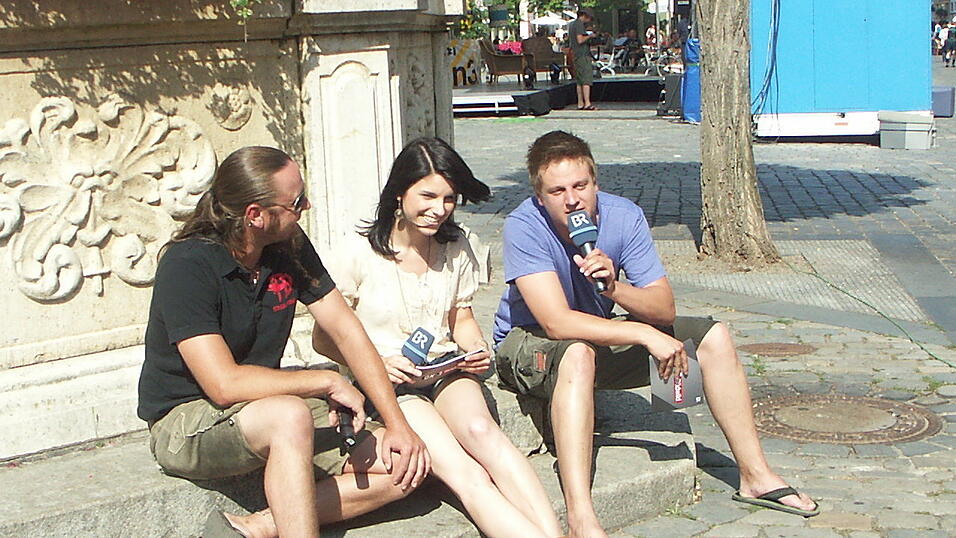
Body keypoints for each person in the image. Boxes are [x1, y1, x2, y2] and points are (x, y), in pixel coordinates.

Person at [492, 131, 819, 538]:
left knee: (712, 336)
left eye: (580, 185)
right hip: (528, 345)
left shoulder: (623, 216)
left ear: (596, 184)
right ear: (541, 197)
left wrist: (613, 287)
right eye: (557, 191)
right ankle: (581, 517)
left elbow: (664, 308)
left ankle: (756, 475)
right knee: (576, 352)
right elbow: (556, 322)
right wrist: (643, 335)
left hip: (595, 338)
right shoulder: (524, 225)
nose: (571, 199)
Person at [137, 146, 430, 538]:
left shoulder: (287, 244)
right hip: (186, 420)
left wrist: (397, 424)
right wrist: (323, 380)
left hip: (263, 406)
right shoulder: (188, 265)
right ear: (255, 216)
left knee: (404, 466)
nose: (306, 205)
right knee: (289, 415)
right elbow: (223, 386)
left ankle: (258, 527)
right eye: (296, 202)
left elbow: (345, 329)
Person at [312, 137, 564, 538]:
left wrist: (475, 347)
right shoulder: (359, 253)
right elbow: (323, 339)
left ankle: (554, 532)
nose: (438, 210)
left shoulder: (456, 244)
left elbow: (460, 315)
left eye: (449, 198)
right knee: (462, 471)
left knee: (486, 436)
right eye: (427, 196)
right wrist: (376, 360)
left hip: (446, 368)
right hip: (390, 381)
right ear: (400, 192)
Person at [568, 8, 598, 110]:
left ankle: (580, 103)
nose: (589, 21)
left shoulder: (572, 24)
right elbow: (580, 40)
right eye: (589, 18)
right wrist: (590, 36)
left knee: (579, 81)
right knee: (586, 79)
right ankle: (587, 103)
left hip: (576, 54)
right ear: (585, 16)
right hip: (582, 54)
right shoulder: (580, 24)